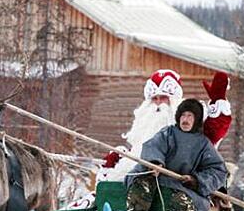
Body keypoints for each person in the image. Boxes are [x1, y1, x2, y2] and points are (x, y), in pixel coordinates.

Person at [122, 99, 228, 211]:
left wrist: (196, 180)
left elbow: (218, 170)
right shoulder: (167, 134)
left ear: (197, 120)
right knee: (140, 180)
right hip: (158, 178)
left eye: (190, 116)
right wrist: (155, 163)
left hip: (183, 187)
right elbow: (152, 147)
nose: (185, 120)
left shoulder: (203, 144)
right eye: (183, 115)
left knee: (183, 202)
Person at [99, 69, 232, 182]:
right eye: (154, 99)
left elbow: (214, 131)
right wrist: (118, 162)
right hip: (139, 179)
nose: (158, 104)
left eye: (163, 97)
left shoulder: (189, 121)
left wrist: (218, 100)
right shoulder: (145, 126)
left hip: (176, 181)